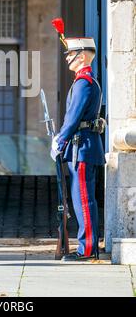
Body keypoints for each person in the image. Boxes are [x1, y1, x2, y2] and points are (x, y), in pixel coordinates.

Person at [51, 19, 106, 262]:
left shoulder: (84, 83)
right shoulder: (82, 82)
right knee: (79, 198)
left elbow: (73, 118)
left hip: (81, 147)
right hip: (80, 147)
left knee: (83, 199)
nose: (67, 59)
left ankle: (87, 249)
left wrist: (60, 140)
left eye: (71, 54)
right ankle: (87, 246)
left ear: (82, 56)